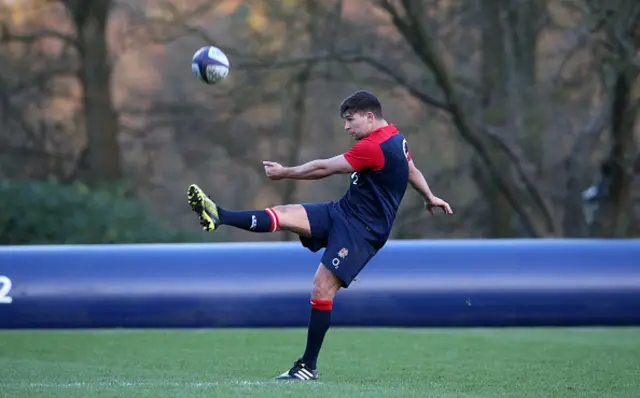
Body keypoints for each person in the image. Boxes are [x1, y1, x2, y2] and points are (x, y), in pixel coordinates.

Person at [186, 90, 453, 381]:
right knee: (284, 213)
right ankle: (220, 215)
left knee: (321, 288)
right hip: (343, 212)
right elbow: (411, 169)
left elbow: (324, 168)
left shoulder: (375, 146)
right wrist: (429, 196)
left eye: (350, 120)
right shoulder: (395, 137)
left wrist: (286, 172)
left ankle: (308, 366)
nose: (346, 127)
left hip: (362, 232)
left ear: (369, 116)